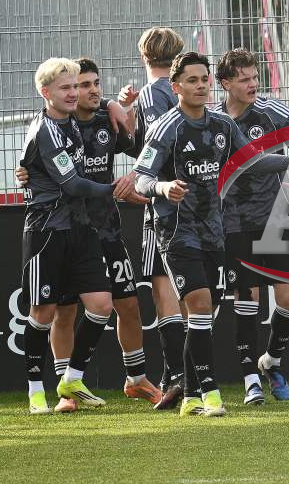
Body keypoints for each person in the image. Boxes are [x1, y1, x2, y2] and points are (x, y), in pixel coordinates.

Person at [133, 52, 289, 417]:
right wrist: (162, 188)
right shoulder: (166, 127)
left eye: (203, 79)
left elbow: (252, 161)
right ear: (176, 87)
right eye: (192, 80)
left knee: (216, 308)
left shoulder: (225, 124)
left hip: (225, 230)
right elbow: (141, 177)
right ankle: (218, 389)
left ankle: (194, 390)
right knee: (205, 304)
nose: (201, 86)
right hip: (185, 230)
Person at [45, 57, 161, 411]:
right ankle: (67, 390)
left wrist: (120, 108)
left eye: (96, 83)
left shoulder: (105, 120)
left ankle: (136, 379)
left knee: (129, 305)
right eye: (84, 85)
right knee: (65, 312)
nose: (93, 90)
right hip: (69, 232)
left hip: (108, 230)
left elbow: (141, 148)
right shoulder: (55, 127)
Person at [213, 48, 289, 406]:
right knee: (247, 299)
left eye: (255, 77)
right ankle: (250, 379)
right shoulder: (213, 121)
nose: (253, 84)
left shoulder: (274, 112)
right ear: (225, 83)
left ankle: (271, 361)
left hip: (277, 217)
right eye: (244, 79)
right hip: (234, 222)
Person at [18, 58, 117, 414]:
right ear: (46, 93)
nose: (74, 93)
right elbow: (73, 184)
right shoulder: (45, 131)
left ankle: (72, 378)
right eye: (66, 88)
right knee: (43, 311)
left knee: (101, 305)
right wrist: (115, 189)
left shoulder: (71, 117)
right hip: (47, 231)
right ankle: (35, 390)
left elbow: (97, 101)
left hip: (80, 227)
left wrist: (114, 103)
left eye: (76, 86)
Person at [122, 27, 189, 410]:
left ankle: (179, 375)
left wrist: (142, 180)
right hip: (194, 199)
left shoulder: (151, 93)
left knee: (163, 288)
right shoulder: (183, 92)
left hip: (164, 202)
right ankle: (181, 375)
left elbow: (154, 147)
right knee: (189, 290)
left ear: (143, 56)